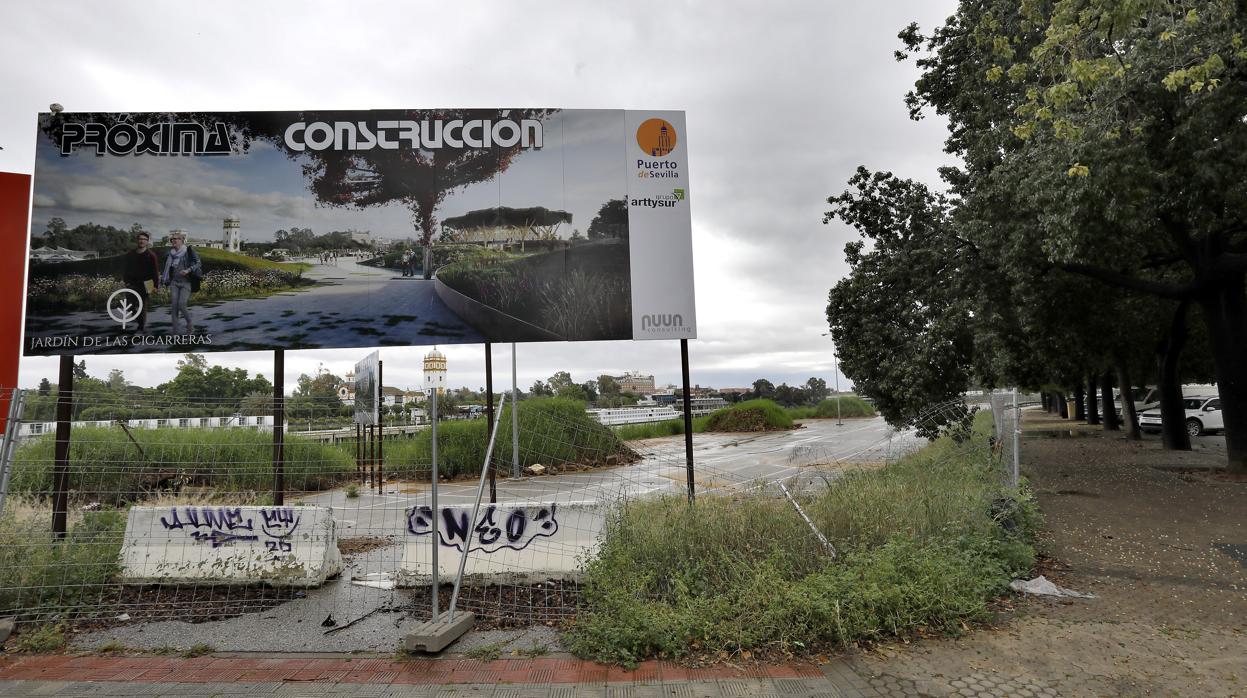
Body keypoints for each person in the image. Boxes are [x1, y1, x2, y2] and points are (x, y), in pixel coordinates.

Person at [161, 231, 202, 334]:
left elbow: (198, 263)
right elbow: (166, 269)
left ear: (182, 240)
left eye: (176, 239)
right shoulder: (170, 254)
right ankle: (175, 331)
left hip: (186, 282)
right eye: (172, 239)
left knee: (182, 304)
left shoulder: (188, 251)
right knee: (174, 307)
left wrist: (188, 270)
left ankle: (189, 322)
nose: (173, 240)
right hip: (174, 282)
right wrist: (164, 280)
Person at [121, 231, 160, 332]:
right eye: (140, 239)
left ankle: (141, 327)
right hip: (132, 283)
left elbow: (155, 271)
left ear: (147, 242)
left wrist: (155, 286)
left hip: (147, 283)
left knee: (143, 306)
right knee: (129, 306)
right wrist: (126, 281)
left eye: (144, 239)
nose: (142, 241)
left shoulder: (151, 255)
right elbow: (126, 269)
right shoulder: (130, 254)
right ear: (137, 241)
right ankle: (140, 322)